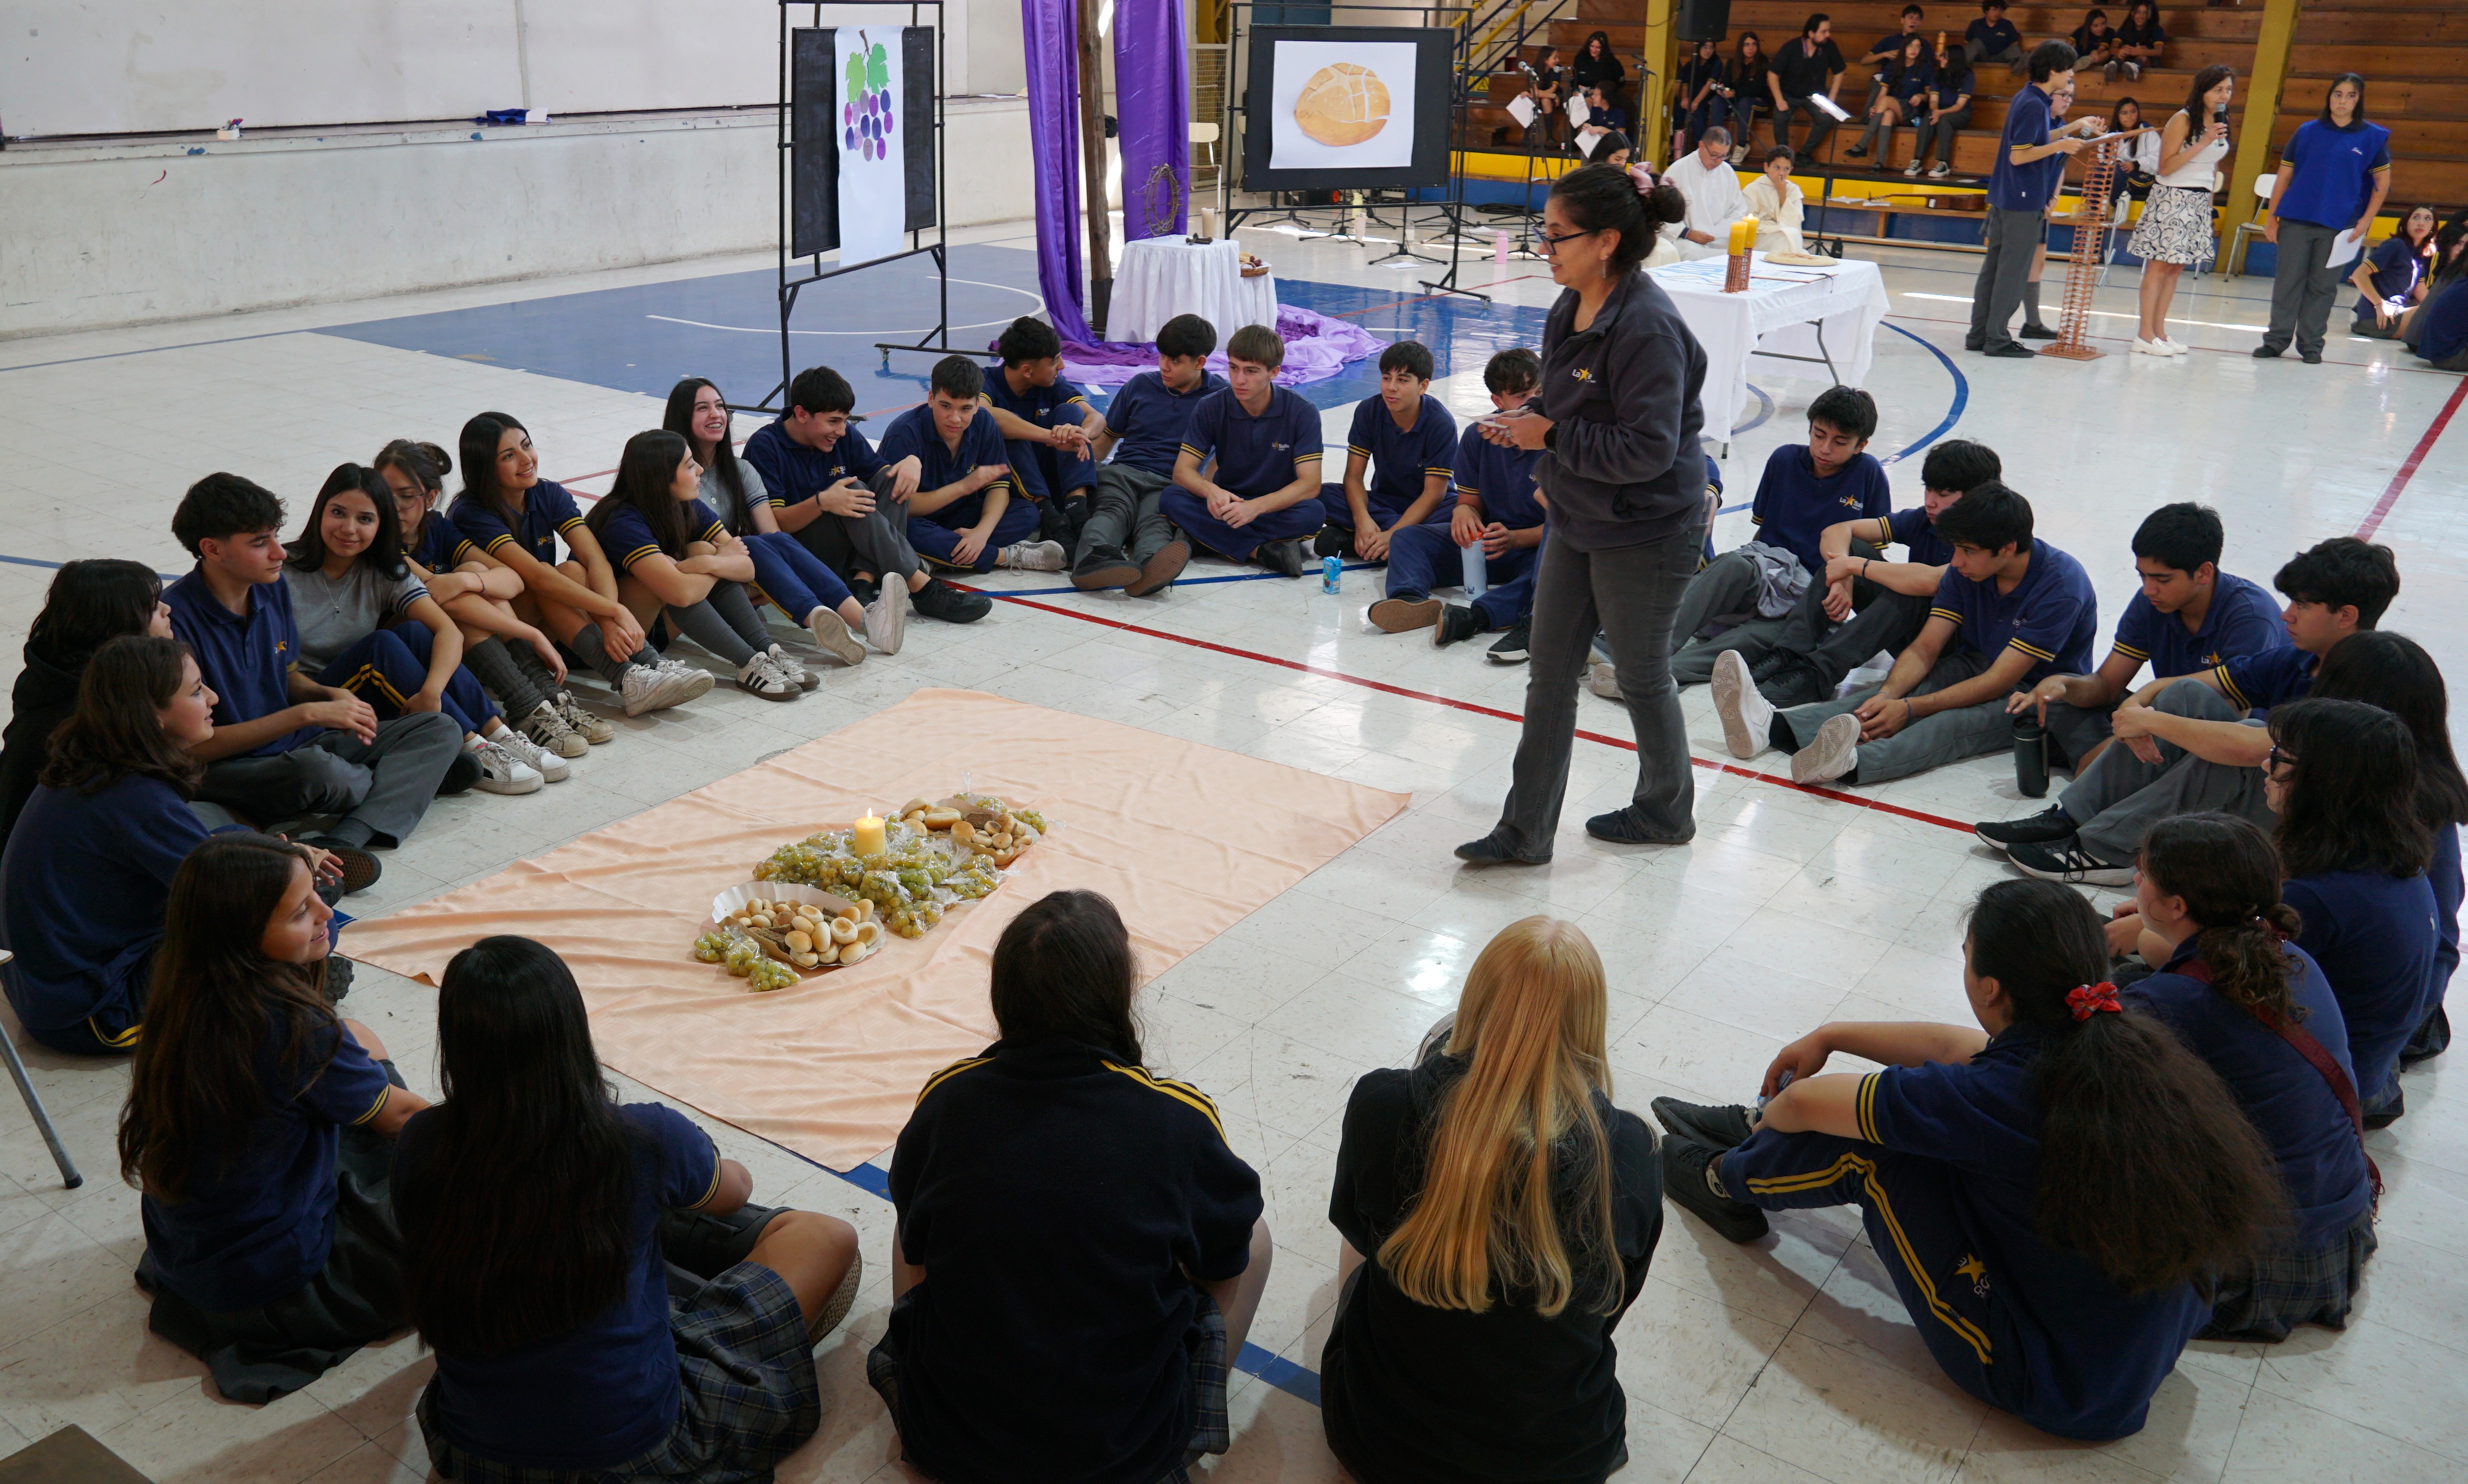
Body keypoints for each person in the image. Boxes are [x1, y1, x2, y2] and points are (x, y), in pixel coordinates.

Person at [1653, 878, 2286, 1441]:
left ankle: (1724, 1178)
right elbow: (1958, 1046)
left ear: (1990, 985)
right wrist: (1832, 1035)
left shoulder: (2001, 1096)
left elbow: (1813, 1102)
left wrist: (1774, 1113)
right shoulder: (2112, 1046)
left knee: (1879, 1154)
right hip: (2131, 1349)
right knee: (1918, 1128)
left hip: (2053, 1381)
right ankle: (1747, 1135)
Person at [396, 935, 860, 1481]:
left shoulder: (421, 1142)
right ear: (571, 1030)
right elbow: (733, 1189)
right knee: (826, 1237)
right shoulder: (638, 1136)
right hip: (634, 1447)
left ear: (454, 1041)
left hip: (478, 1449)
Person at [868, 890, 1270, 1482]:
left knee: (911, 1220)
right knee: (1253, 1236)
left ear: (1002, 994)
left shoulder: (947, 1097)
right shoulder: (1176, 1119)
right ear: (1116, 996)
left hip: (952, 1440)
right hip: (1119, 1452)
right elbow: (1224, 1253)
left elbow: (921, 1241)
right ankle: (1181, 1412)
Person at [1319, 916, 1661, 1484]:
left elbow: (1357, 1226)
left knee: (1367, 1255)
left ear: (1475, 999)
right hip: (1560, 1460)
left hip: (1385, 1447)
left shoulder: (1383, 1103)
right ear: (1591, 1023)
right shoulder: (1631, 1149)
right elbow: (1613, 1302)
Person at [1455, 165, 1709, 863]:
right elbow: (1569, 406)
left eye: (1557, 235)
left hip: (1650, 525)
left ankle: (1667, 810)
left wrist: (1554, 438)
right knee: (1550, 670)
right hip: (1579, 513)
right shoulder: (1570, 306)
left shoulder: (1648, 328)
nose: (1547, 248)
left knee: (1641, 674)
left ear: (1606, 241)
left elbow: (1650, 450)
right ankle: (1525, 830)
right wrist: (1526, 420)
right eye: (1544, 233)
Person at [119, 832, 429, 1402]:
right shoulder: (292, 1027)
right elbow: (404, 1118)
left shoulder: (184, 990)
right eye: (300, 911)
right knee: (468, 1210)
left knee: (361, 1047)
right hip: (276, 1279)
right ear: (243, 936)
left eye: (316, 895)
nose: (326, 912)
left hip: (193, 1254)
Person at [1979, 535, 2401, 885]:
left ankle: (2108, 850)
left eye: (2303, 606)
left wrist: (2150, 720)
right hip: (2271, 796)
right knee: (2184, 697)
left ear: (2346, 616)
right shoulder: (2299, 658)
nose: (2287, 615)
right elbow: (2176, 689)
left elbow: (2258, 745)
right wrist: (2136, 711)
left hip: (2305, 830)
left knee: (2246, 752)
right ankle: (2072, 816)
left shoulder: (2368, 679)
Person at [2102, 813, 2376, 1341]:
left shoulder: (2171, 1004)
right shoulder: (2286, 955)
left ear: (2177, 905)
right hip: (2339, 1234)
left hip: (2261, 1269)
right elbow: (2183, 967)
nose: (2137, 881)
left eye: (2144, 873)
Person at [0, 637, 343, 1056]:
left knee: (255, 859)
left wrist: (277, 858)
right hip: (96, 1009)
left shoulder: (97, 763)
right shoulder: (136, 797)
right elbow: (231, 896)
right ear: (151, 714)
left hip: (46, 985)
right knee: (291, 924)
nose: (213, 697)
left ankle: (296, 883)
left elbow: (206, 858)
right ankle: (281, 986)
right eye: (197, 691)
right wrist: (291, 878)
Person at [167, 473, 463, 889]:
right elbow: (193, 746)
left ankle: (344, 839)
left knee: (441, 729)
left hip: (294, 744)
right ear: (212, 550)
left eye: (275, 536)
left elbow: (287, 678)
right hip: (228, 766)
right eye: (259, 542)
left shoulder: (270, 590)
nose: (278, 553)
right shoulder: (173, 623)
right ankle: (400, 784)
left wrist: (329, 694)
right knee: (323, 773)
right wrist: (306, 713)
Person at [1731, 481, 2099, 788]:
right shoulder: (1966, 570)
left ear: (2007, 549)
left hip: (2033, 691)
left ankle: (1852, 761)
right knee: (1881, 696)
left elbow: (1998, 681)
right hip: (1976, 662)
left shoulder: (2060, 586)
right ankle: (1774, 727)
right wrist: (1892, 695)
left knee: (1950, 726)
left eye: (1968, 551)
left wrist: (1908, 709)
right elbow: (1925, 648)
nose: (1956, 562)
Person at [284, 463, 557, 795]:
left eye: (365, 519)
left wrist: (432, 691)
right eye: (338, 513)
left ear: (381, 524)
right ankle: (473, 746)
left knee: (416, 632)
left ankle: (499, 734)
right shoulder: (284, 570)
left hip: (366, 694)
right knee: (381, 645)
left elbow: (449, 631)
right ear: (319, 511)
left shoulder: (383, 569)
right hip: (313, 697)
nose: (349, 528)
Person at [1716, 437, 2001, 725]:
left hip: (1952, 652)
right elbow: (1838, 530)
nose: (1930, 501)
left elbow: (1933, 582)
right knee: (1854, 550)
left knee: (1908, 590)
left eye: (1945, 494)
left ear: (1977, 496)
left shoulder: (1990, 537)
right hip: (1917, 638)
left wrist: (1854, 567)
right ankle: (1786, 654)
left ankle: (1817, 676)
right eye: (1928, 489)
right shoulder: (1924, 520)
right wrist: (1843, 576)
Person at [448, 412, 713, 719]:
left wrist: (608, 617)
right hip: (498, 635)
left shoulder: (546, 492)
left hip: (543, 621)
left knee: (573, 571)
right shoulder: (471, 512)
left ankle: (641, 667)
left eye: (527, 445)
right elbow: (535, 577)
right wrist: (613, 611)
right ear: (485, 469)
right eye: (509, 455)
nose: (526, 459)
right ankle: (628, 676)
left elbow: (593, 557)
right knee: (548, 580)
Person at [2004, 501, 2286, 775]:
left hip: (2227, 737)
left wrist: (2150, 719)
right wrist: (2065, 685)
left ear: (2204, 573)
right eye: (2143, 577)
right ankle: (2125, 762)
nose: (2149, 590)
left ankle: (2117, 765)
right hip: (2160, 716)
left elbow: (2236, 714)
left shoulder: (2250, 617)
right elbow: (2106, 684)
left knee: (2171, 708)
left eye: (2163, 580)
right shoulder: (2151, 603)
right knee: (2062, 700)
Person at [2264, 698, 2439, 1127]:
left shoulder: (2317, 897)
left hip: (2327, 1091)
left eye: (2278, 759)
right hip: (2374, 1071)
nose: (2264, 770)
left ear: (2323, 782)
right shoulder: (2395, 860)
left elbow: (2223, 980)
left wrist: (2154, 927)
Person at [376, 439, 600, 761]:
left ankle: (543, 698)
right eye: (385, 495)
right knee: (455, 596)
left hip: (451, 647)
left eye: (407, 496)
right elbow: (437, 598)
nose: (394, 505)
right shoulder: (378, 541)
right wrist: (530, 633)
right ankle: (528, 702)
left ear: (430, 498)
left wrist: (467, 579)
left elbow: (511, 579)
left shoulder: (437, 528)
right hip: (403, 652)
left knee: (474, 572)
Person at [2310, 632, 2467, 1065]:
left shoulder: (2394, 803)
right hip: (2403, 999)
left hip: (2401, 1013)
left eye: (2324, 676)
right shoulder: (2414, 784)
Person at [1670, 386, 1889, 688]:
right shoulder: (1784, 460)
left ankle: (1658, 674)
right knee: (1733, 564)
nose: (1824, 448)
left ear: (1861, 445)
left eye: (1840, 442)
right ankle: (1638, 650)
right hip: (1768, 567)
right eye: (1818, 434)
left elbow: (1870, 555)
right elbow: (1762, 533)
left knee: (1751, 639)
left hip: (1812, 595)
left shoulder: (1869, 474)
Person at [739, 365, 992, 624]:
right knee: (853, 491)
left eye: (846, 420)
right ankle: (922, 587)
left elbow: (885, 480)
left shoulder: (841, 435)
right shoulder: (765, 446)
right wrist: (823, 502)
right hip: (798, 556)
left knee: (893, 480)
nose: (842, 430)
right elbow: (773, 529)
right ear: (802, 414)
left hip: (846, 549)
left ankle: (862, 583)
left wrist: (911, 462)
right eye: (834, 421)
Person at [665, 375, 892, 664]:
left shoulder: (741, 471)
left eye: (720, 406)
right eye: (702, 408)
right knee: (749, 545)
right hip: (688, 580)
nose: (716, 414)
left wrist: (763, 578)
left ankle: (864, 622)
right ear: (682, 417)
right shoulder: (671, 478)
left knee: (769, 541)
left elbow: (773, 535)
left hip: (732, 570)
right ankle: (825, 619)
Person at [583, 429, 812, 702]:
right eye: (690, 465)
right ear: (662, 477)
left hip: (661, 622)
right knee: (688, 571)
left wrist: (707, 563)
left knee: (702, 552)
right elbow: (680, 594)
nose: (701, 470)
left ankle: (767, 650)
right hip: (624, 639)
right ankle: (748, 662)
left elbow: (748, 569)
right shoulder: (622, 520)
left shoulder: (684, 504)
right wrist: (715, 564)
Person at [1384, 348, 1548, 651]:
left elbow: (1569, 526)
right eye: (1523, 396)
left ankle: (1481, 614)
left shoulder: (1556, 439)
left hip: (1537, 547)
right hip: (1490, 542)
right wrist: (1464, 514)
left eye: (1540, 393)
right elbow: (1469, 500)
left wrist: (1515, 538)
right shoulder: (1478, 437)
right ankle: (1409, 600)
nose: (1534, 404)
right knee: (1407, 539)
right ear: (1498, 402)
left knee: (1551, 574)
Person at [0, 558, 168, 843]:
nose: (167, 609)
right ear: (112, 626)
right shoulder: (95, 710)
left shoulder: (49, 677)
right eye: (152, 607)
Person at [1073, 312, 1223, 596]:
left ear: (1200, 362)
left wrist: (1208, 490)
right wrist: (1084, 469)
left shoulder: (1219, 399)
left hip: (1172, 483)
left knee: (1156, 522)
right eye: (1162, 356)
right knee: (1110, 512)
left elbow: (1222, 458)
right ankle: (1094, 561)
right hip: (1122, 473)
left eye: (1175, 361)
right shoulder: (1139, 386)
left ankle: (1151, 568)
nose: (1164, 367)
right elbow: (1108, 440)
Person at [1161, 323, 1328, 575]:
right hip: (1228, 501)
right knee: (1171, 498)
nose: (1239, 380)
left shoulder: (1302, 412)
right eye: (1233, 368)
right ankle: (1261, 551)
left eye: (1251, 371)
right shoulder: (1211, 406)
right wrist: (1211, 491)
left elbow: (1310, 484)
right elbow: (1182, 472)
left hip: (1275, 505)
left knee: (1314, 513)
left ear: (1274, 373)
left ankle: (1209, 538)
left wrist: (1255, 508)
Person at [877, 355, 1067, 575]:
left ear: (978, 404)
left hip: (961, 516)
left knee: (1027, 513)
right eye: (946, 406)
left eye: (965, 409)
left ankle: (936, 556)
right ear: (931, 399)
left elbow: (999, 487)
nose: (955, 418)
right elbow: (902, 508)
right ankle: (1005, 556)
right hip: (919, 519)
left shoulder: (985, 423)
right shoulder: (903, 434)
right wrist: (964, 487)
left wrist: (981, 534)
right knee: (903, 531)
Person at [2256, 75, 2392, 365]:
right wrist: (2272, 217)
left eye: (2350, 95)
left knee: (2323, 287)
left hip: (2340, 226)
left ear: (2359, 100)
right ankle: (2276, 340)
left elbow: (2382, 183)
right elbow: (2284, 176)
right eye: (2337, 94)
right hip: (2296, 219)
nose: (2342, 101)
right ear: (2329, 98)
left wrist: (2366, 221)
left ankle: (2312, 345)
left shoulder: (2372, 137)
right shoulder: (2306, 132)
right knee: (2287, 283)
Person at [1970, 41, 2086, 358]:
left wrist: (2068, 132)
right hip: (2022, 199)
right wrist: (2062, 147)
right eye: (2067, 69)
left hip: (2006, 195)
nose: (2071, 75)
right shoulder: (2035, 104)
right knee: (2013, 272)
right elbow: (2020, 156)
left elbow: (2033, 140)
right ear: (2053, 71)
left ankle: (1979, 334)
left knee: (1994, 269)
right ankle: (1997, 338)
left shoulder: (2028, 97)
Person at [2127, 66, 2234, 356]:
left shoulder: (2220, 121)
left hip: (2198, 202)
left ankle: (2160, 332)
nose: (2224, 95)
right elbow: (2166, 166)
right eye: (2218, 90)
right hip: (2173, 198)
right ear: (2203, 91)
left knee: (2176, 268)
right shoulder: (2183, 119)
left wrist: (2209, 205)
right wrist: (2203, 142)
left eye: (2228, 90)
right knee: (2160, 266)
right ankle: (2144, 335)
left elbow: (2212, 166)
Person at [1320, 340, 1458, 566]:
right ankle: (1399, 543)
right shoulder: (1369, 411)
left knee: (1463, 511)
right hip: (1385, 501)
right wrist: (1362, 519)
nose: (1391, 387)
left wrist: (1394, 533)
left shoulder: (1440, 423)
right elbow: (1354, 477)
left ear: (1423, 386)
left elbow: (1434, 494)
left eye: (1402, 380)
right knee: (1324, 494)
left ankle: (1368, 542)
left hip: (1431, 507)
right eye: (1386, 378)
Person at [981, 316, 1107, 545]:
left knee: (1070, 415)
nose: (1062, 367)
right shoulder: (985, 380)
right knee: (1008, 428)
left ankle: (1077, 512)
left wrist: (1081, 434)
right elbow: (984, 414)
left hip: (1052, 475)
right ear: (1027, 370)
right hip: (1011, 484)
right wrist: (1051, 437)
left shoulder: (1053, 384)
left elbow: (1096, 417)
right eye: (1055, 361)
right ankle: (1049, 517)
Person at [1663, 126, 1751, 260]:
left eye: (1724, 156)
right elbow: (1662, 211)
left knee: (1740, 254)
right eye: (1714, 155)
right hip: (1686, 240)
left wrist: (1722, 231)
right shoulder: (1678, 170)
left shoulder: (1727, 172)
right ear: (1701, 146)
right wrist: (1687, 233)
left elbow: (1738, 210)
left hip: (1719, 241)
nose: (1718, 161)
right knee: (1689, 253)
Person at [2350, 203, 2437, 338]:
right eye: (2416, 218)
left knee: (2439, 310)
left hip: (2400, 311)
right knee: (2431, 314)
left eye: (2427, 219)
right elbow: (2359, 275)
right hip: (2380, 317)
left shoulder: (2419, 256)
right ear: (2405, 223)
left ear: (2432, 229)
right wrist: (2379, 304)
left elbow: (2421, 293)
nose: (2421, 223)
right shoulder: (2395, 245)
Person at [1767, 13, 1847, 158]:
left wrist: (1831, 100)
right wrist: (1779, 100)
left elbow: (1840, 72)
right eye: (1824, 32)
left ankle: (1804, 154)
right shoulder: (1791, 47)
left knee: (1827, 118)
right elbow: (1772, 74)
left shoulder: (1829, 47)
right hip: (1789, 94)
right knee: (1780, 117)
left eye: (1828, 31)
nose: (1828, 35)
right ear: (1811, 33)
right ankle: (1784, 156)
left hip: (1815, 97)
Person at [1847, 36, 1932, 162]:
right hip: (1894, 107)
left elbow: (1930, 96)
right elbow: (1883, 92)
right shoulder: (1893, 66)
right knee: (1887, 115)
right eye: (1911, 46)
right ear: (1904, 48)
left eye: (1918, 46)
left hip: (1913, 111)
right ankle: (1880, 162)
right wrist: (1875, 108)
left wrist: (1921, 96)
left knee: (1886, 101)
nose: (1914, 49)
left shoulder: (1925, 68)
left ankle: (1863, 144)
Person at [1908, 35, 1975, 178]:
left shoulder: (1967, 76)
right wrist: (1935, 111)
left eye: (1944, 57)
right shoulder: (1939, 74)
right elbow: (1933, 100)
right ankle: (1917, 160)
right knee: (1927, 118)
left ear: (1954, 59)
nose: (1941, 59)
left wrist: (1941, 113)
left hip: (1960, 113)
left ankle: (1944, 163)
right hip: (1940, 109)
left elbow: (1959, 105)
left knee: (1945, 120)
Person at [1856, 5, 1929, 108]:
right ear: (1902, 20)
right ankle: (1868, 119)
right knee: (1880, 86)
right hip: (1888, 78)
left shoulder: (1923, 44)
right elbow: (1864, 61)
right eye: (1911, 18)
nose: (1914, 21)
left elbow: (1927, 67)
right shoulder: (1890, 40)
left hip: (1911, 79)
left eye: (1918, 19)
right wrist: (1885, 54)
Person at [1743, 146, 1808, 251]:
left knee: (1790, 234)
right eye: (1777, 168)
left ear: (1791, 170)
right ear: (1766, 167)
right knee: (1784, 237)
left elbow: (1795, 224)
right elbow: (1749, 221)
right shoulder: (1754, 189)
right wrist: (1774, 226)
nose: (1782, 173)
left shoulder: (1793, 190)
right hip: (1762, 236)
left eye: (1786, 169)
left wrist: (1782, 194)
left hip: (1786, 233)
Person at [1723, 33, 1771, 164]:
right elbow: (1726, 82)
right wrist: (1725, 90)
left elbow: (1756, 89)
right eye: (1747, 45)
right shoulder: (1733, 62)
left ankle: (1742, 145)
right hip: (1737, 99)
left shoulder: (1763, 62)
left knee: (1745, 102)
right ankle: (1720, 144)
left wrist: (1734, 93)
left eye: (1754, 44)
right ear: (1741, 47)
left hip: (1759, 101)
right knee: (1718, 101)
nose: (1751, 48)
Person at [1678, 39, 1729, 151]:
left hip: (1706, 99)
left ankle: (1701, 146)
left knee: (1697, 111)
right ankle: (1673, 143)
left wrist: (1696, 102)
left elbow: (1709, 84)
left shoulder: (1717, 63)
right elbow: (1685, 84)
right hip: (1691, 97)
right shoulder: (1691, 64)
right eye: (1705, 47)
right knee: (1678, 109)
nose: (1708, 51)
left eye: (1711, 48)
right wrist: (1685, 99)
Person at [2110, 97, 2161, 199]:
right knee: (2099, 173)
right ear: (2118, 116)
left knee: (2118, 173)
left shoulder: (2148, 132)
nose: (2129, 117)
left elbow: (2157, 160)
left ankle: (2114, 207)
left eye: (2133, 112)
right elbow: (2102, 157)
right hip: (2117, 172)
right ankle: (2094, 208)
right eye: (2124, 113)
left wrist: (2135, 165)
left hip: (2143, 177)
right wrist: (2116, 162)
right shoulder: (2111, 133)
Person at [1570, 31, 1627, 119]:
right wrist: (1575, 90)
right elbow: (1575, 79)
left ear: (1603, 49)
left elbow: (1619, 83)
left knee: (1590, 101)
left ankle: (1591, 127)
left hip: (1604, 94)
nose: (1594, 50)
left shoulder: (1612, 62)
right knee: (1575, 102)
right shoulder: (1580, 59)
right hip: (1583, 93)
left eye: (1598, 48)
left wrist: (1600, 92)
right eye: (1592, 46)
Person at [1964, 0, 2024, 74]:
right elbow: (1968, 45)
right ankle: (1962, 71)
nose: (1997, 13)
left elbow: (2014, 47)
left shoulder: (2007, 25)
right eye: (1994, 10)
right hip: (1982, 57)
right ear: (1986, 10)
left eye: (2000, 10)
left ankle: (2016, 71)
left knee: (2015, 49)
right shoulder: (1976, 24)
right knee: (1976, 43)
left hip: (2001, 57)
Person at [2111, 0, 2166, 81]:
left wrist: (2141, 52)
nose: (2141, 16)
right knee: (2122, 53)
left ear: (2150, 15)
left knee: (2144, 54)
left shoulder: (2157, 30)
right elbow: (2112, 49)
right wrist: (2121, 51)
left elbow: (2158, 51)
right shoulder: (2125, 28)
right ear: (2133, 13)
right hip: (2127, 60)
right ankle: (2113, 67)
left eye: (2145, 13)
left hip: (2148, 62)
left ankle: (2135, 67)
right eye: (2138, 12)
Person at [1526, 47, 1568, 149]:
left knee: (1545, 100)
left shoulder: (1557, 69)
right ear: (1545, 60)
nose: (1557, 60)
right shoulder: (1534, 70)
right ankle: (1526, 137)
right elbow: (1534, 91)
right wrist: (1550, 96)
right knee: (1533, 99)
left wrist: (1547, 95)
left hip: (1555, 94)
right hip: (1547, 95)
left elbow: (1553, 89)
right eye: (1555, 58)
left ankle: (1550, 138)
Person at [1575, 83, 1631, 157]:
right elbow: (1593, 127)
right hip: (1599, 142)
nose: (1593, 97)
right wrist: (1588, 127)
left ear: (1606, 98)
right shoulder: (1595, 109)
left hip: (1614, 146)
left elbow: (1621, 135)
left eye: (1597, 95)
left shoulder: (1618, 112)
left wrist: (1601, 129)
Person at [2070, 8, 2118, 74]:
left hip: (2096, 59)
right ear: (2089, 26)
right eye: (2096, 26)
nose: (2100, 28)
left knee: (2106, 53)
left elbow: (2103, 46)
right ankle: (2078, 64)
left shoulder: (2109, 31)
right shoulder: (2082, 30)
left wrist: (2096, 52)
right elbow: (2069, 42)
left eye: (2103, 24)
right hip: (2080, 57)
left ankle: (2087, 61)